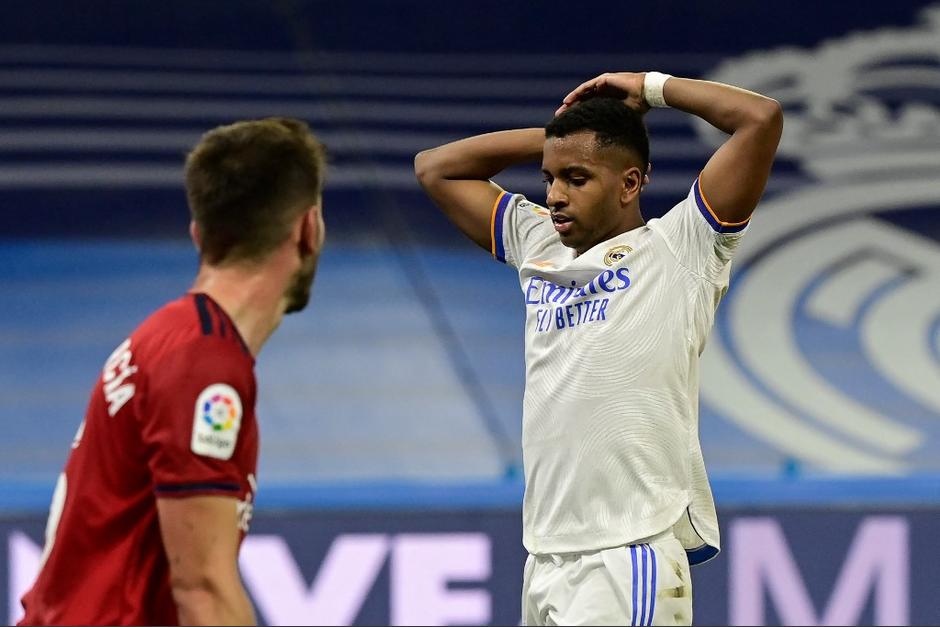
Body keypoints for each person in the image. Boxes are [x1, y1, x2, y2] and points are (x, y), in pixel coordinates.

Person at [415, 72, 782, 625]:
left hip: (626, 554)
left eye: (577, 178)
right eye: (549, 178)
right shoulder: (540, 242)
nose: (555, 195)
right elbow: (435, 168)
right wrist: (566, 140)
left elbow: (760, 118)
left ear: (630, 184)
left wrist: (650, 88)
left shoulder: (682, 247)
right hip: (545, 556)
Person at [19, 117, 327, 626]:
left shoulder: (170, 337)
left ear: (198, 235)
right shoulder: (204, 367)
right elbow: (203, 591)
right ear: (307, 229)